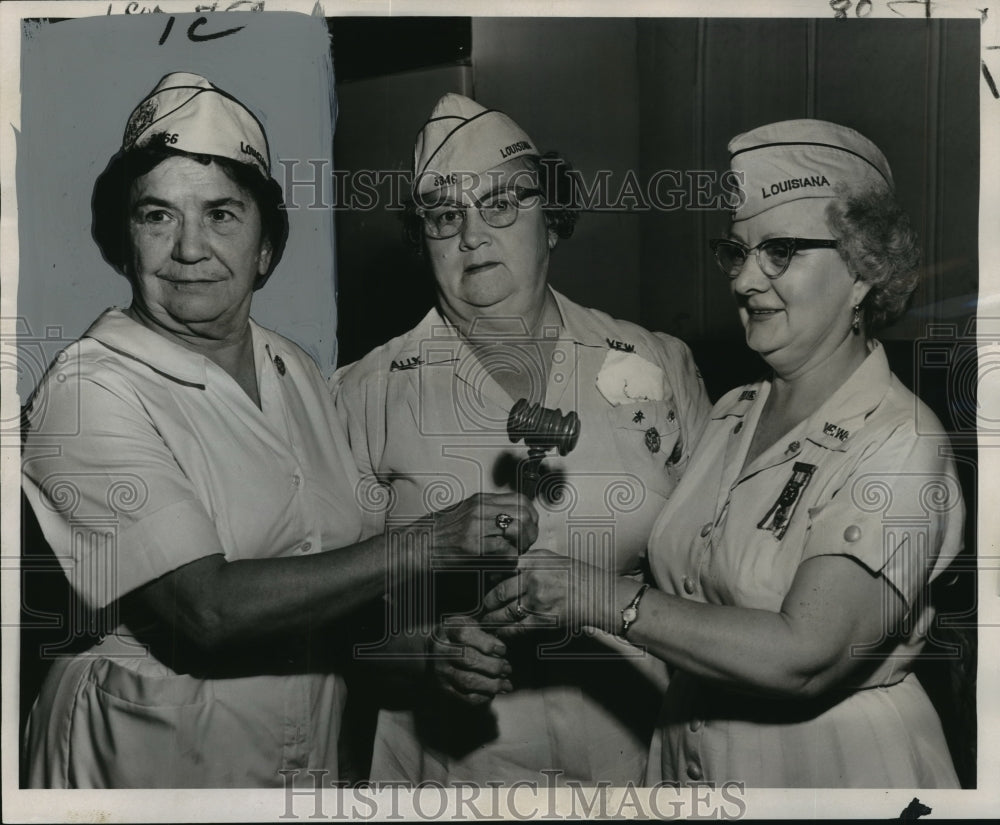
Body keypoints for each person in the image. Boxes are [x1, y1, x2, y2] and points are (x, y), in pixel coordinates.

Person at [19, 73, 533, 789]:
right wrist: (429, 541)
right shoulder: (87, 390)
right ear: (122, 241)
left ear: (265, 247)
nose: (190, 248)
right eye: (157, 216)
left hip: (302, 761)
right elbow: (207, 609)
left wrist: (425, 651)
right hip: (141, 764)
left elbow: (330, 597)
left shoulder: (295, 372)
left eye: (223, 214)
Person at [483, 119, 963, 788]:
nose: (744, 280)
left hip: (834, 772)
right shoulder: (734, 411)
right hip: (693, 758)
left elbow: (806, 654)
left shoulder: (899, 439)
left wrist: (596, 595)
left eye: (781, 251)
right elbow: (687, 599)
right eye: (736, 253)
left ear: (863, 269)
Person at [331, 93, 711, 786]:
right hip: (448, 769)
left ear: (553, 219)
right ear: (424, 241)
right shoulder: (368, 391)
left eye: (502, 202)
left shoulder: (655, 364)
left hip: (632, 754)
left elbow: (715, 584)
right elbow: (338, 629)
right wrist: (425, 649)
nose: (473, 234)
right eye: (446, 215)